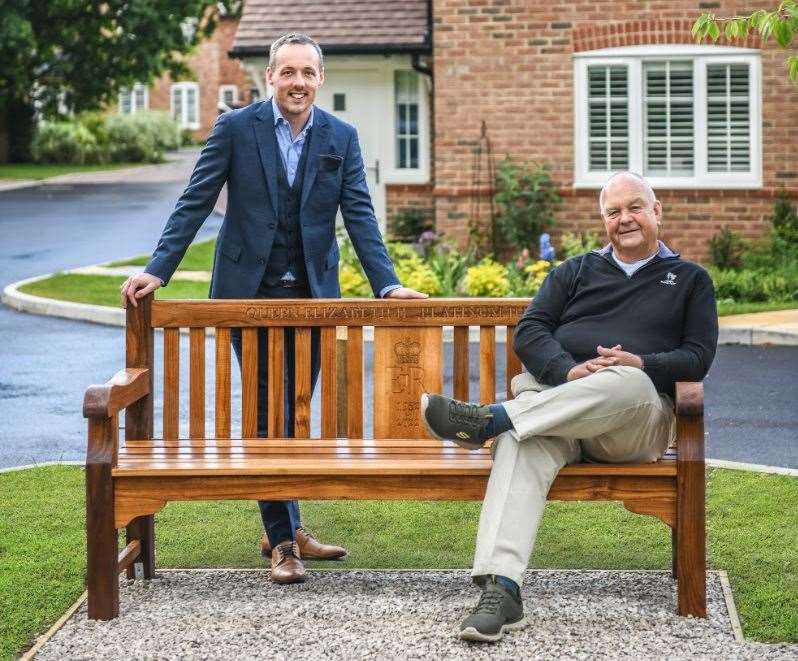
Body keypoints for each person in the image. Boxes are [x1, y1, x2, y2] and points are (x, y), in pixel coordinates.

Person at [121, 32, 426, 585]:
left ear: (320, 80)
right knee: (266, 409)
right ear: (270, 78)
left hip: (312, 298)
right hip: (249, 295)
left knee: (298, 408)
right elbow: (194, 200)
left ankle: (283, 520)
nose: (298, 83)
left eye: (308, 73)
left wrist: (387, 286)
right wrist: (157, 269)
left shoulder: (341, 137)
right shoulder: (236, 128)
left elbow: (359, 216)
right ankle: (284, 542)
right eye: (288, 72)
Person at [420, 172, 718, 642]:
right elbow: (531, 330)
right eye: (613, 212)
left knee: (627, 382)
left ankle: (493, 420)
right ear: (604, 220)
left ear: (657, 211)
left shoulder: (690, 280)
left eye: (635, 207)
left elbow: (697, 357)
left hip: (631, 423)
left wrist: (640, 362)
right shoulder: (574, 272)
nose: (625, 219)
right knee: (521, 444)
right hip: (558, 412)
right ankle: (502, 589)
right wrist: (568, 371)